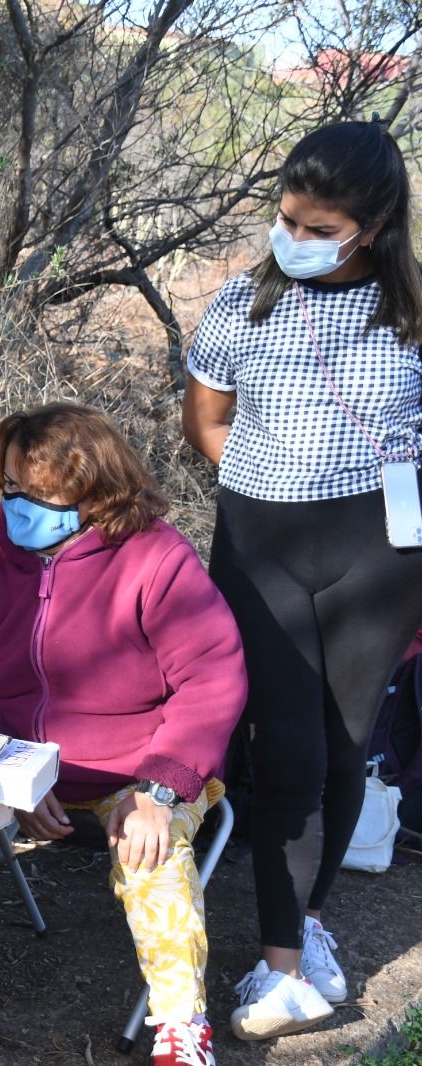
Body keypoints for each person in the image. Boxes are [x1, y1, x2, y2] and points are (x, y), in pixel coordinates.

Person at [0, 404, 245, 1066]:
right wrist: (10, 768)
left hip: (141, 769)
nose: (22, 507)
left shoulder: (158, 559)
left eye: (44, 495)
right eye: (12, 490)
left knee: (151, 851)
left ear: (97, 489)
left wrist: (160, 786)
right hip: (12, 758)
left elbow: (212, 680)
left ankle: (181, 1023)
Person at [181, 120, 422, 1040]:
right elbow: (206, 418)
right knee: (288, 753)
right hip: (258, 544)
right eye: (289, 219)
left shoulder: (412, 315)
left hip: (380, 556)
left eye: (321, 229)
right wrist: (266, 485)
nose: (297, 239)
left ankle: (305, 926)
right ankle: (278, 967)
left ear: (376, 225)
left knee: (344, 744)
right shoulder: (245, 303)